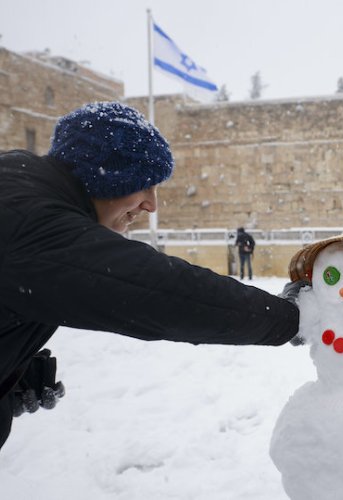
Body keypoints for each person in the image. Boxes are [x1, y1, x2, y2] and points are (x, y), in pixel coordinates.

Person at [0, 102, 302, 451]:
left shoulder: (20, 180)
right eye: (144, 185)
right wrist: (290, 318)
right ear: (105, 176)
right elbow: (160, 292)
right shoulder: (29, 222)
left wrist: (12, 373)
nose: (151, 206)